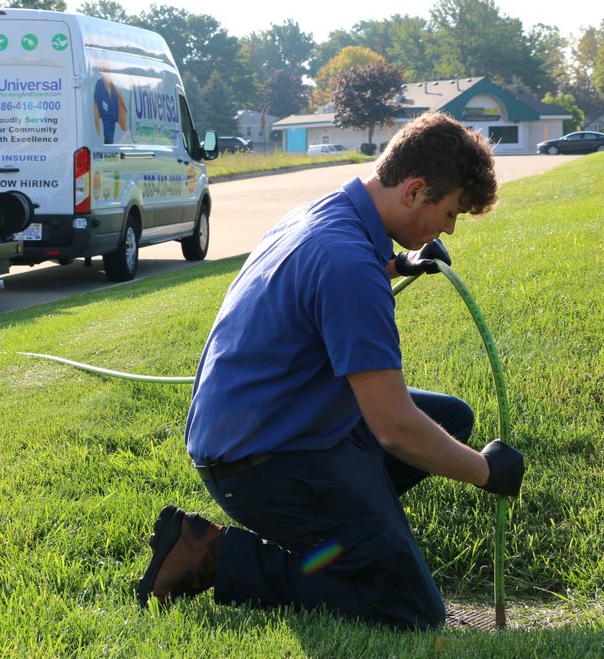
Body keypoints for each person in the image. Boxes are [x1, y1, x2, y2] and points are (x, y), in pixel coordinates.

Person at [136, 111, 525, 629]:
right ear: (413, 191)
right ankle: (215, 556)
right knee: (409, 609)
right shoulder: (346, 266)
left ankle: (360, 529)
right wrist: (485, 472)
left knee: (452, 419)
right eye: (451, 211)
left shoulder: (327, 215)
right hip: (261, 464)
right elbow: (393, 427)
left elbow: (324, 297)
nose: (450, 228)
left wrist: (395, 264)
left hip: (272, 425)